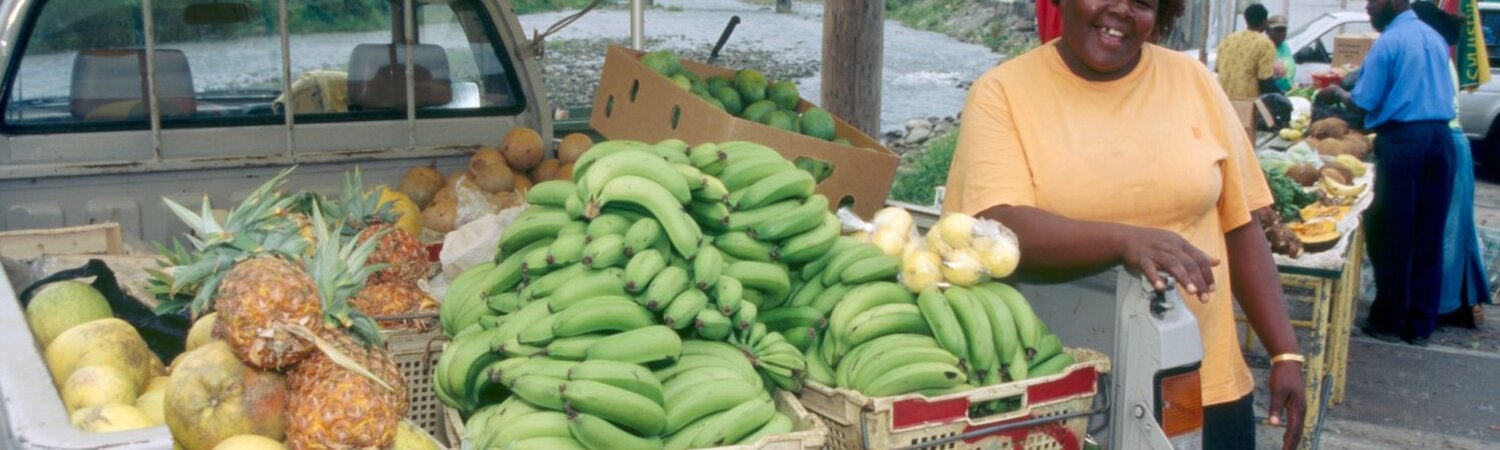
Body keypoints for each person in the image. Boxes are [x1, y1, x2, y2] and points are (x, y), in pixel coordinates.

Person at [943, 0, 1307, 448]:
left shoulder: (1193, 80)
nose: (1120, 11)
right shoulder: (1002, 92)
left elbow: (1241, 225)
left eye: (1142, 2)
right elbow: (997, 225)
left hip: (1202, 384)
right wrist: (1123, 241)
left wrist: (1285, 352)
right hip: (1069, 394)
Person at [1318, 0, 1456, 346]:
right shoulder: (1432, 36)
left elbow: (1363, 103)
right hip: (1441, 140)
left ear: (1395, 2)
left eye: (1373, 2)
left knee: (1391, 231)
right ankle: (1420, 322)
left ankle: (1388, 320)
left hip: (1406, 141)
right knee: (1428, 232)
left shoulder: (1390, 43)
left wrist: (1337, 91)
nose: (1368, 7)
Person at [1408, 1, 1488, 330]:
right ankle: (1460, 303)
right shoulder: (1438, 51)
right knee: (1454, 230)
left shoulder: (1435, 55)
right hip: (1454, 145)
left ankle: (1443, 305)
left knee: (1447, 232)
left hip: (1449, 143)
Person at [1216, 3, 1285, 98]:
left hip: (1223, 100)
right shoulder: (1264, 43)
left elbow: (1217, 69)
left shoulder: (1227, 40)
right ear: (1264, 21)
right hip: (1247, 103)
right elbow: (1265, 80)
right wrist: (1282, 96)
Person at [1267, 15, 1296, 92]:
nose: (1281, 33)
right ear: (1268, 31)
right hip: (1272, 94)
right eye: (1277, 30)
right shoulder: (1265, 47)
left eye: (1283, 30)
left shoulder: (1285, 46)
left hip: (1288, 92)